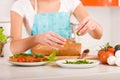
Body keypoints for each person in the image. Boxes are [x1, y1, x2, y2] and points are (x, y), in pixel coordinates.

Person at [10, 0, 103, 54]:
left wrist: (93, 25)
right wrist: (36, 39)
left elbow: (98, 35)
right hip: (37, 64)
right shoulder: (21, 5)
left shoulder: (71, 2)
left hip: (66, 63)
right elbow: (14, 48)